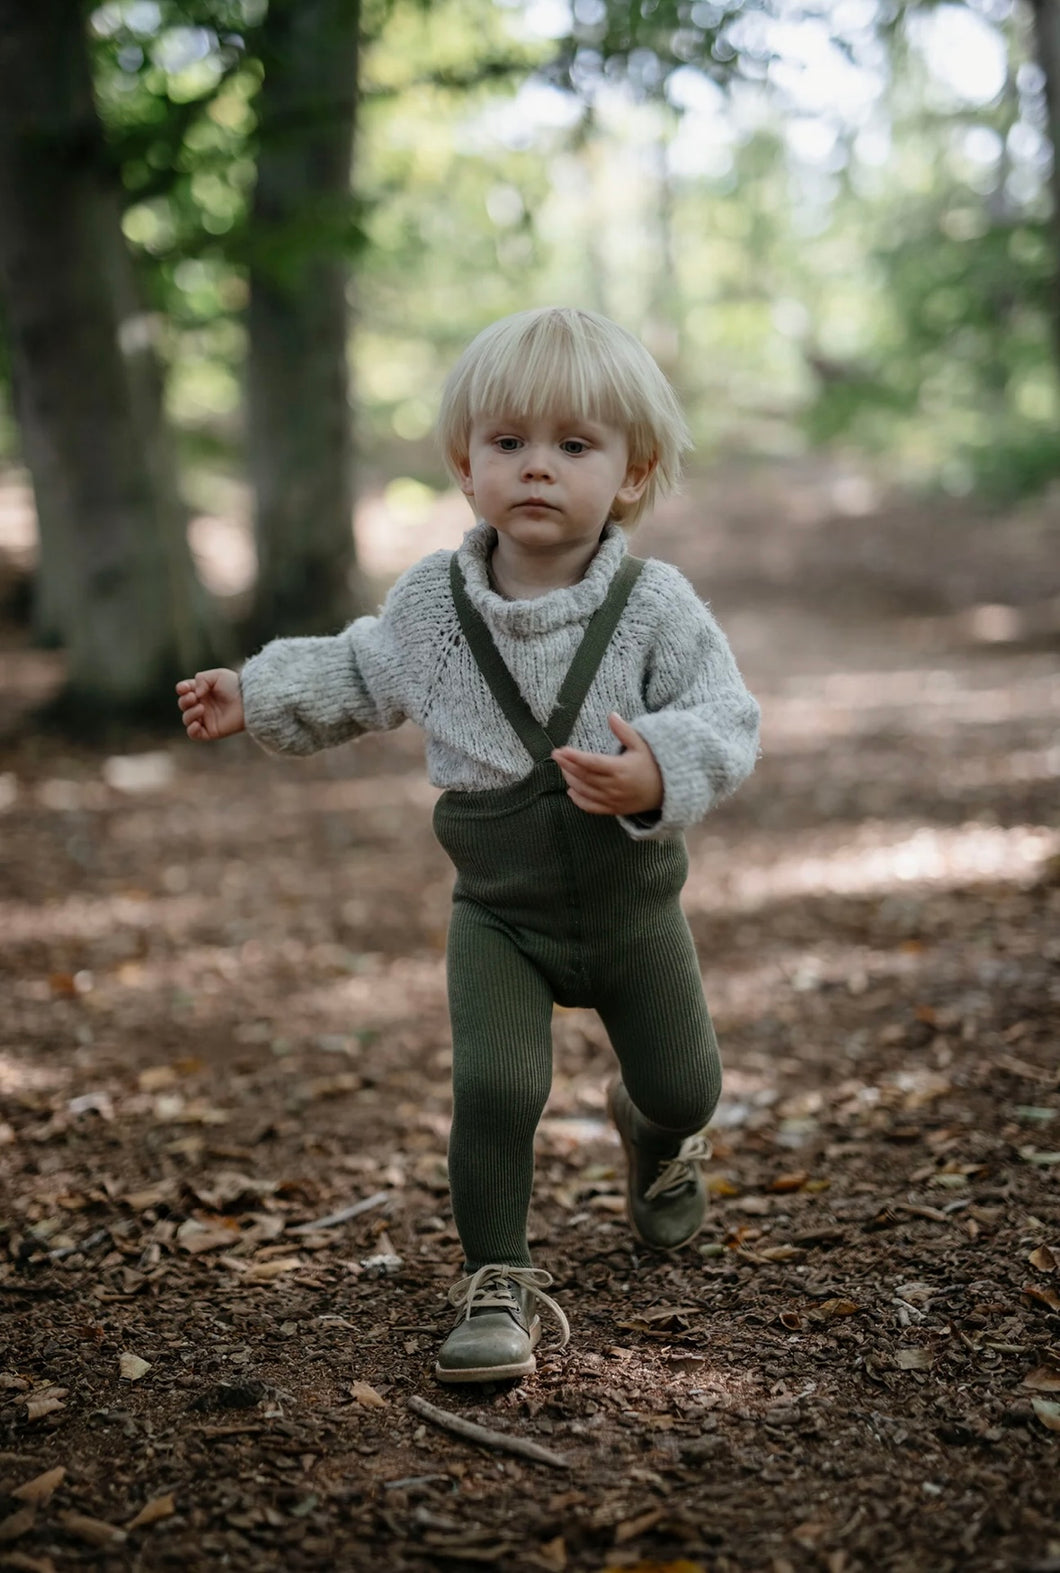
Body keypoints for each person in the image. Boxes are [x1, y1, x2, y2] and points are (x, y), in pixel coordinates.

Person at [176, 306, 760, 1385]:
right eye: (509, 443)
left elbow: (727, 715)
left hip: (631, 905)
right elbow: (357, 671)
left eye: (573, 446)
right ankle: (497, 1276)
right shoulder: (433, 607)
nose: (538, 468)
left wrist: (658, 769)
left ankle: (652, 1130)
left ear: (630, 475)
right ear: (465, 465)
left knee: (687, 1084)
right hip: (501, 911)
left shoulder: (653, 607)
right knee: (496, 1087)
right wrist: (253, 691)